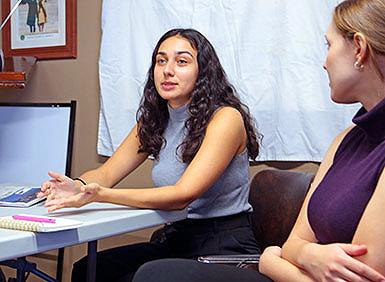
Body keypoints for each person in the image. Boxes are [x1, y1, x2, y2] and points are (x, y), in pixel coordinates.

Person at [132, 0, 385, 281]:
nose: (324, 62)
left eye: (329, 46)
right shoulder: (345, 141)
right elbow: (292, 245)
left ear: (359, 50)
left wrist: (272, 261)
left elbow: (357, 276)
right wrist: (304, 255)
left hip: (239, 250)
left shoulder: (225, 118)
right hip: (289, 271)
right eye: (161, 60)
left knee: (157, 274)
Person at [39, 28, 262, 282]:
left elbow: (182, 195)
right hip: (177, 239)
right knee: (89, 270)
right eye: (161, 60)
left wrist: (101, 195)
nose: (168, 70)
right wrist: (77, 186)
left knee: (149, 276)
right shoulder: (156, 119)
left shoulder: (225, 118)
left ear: (203, 71)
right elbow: (107, 173)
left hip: (223, 246)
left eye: (182, 61)